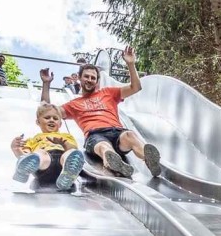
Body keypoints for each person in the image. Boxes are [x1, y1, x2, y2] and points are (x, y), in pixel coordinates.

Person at [39, 46, 161, 179]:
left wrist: (131, 64)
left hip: (117, 132)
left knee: (130, 135)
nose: (89, 80)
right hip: (94, 135)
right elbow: (46, 110)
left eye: (93, 77)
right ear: (79, 78)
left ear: (97, 81)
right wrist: (46, 84)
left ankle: (149, 159)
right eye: (86, 76)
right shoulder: (74, 104)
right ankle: (113, 162)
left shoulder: (109, 92)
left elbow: (135, 87)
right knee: (104, 146)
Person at [11, 103, 86, 192]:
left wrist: (64, 144)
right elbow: (25, 154)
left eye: (55, 118)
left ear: (60, 124)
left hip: (63, 164)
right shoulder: (33, 139)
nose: (51, 120)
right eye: (47, 118)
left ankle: (68, 174)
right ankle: (23, 171)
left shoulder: (66, 136)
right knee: (40, 154)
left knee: (71, 153)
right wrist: (16, 149)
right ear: (38, 122)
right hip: (44, 166)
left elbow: (73, 149)